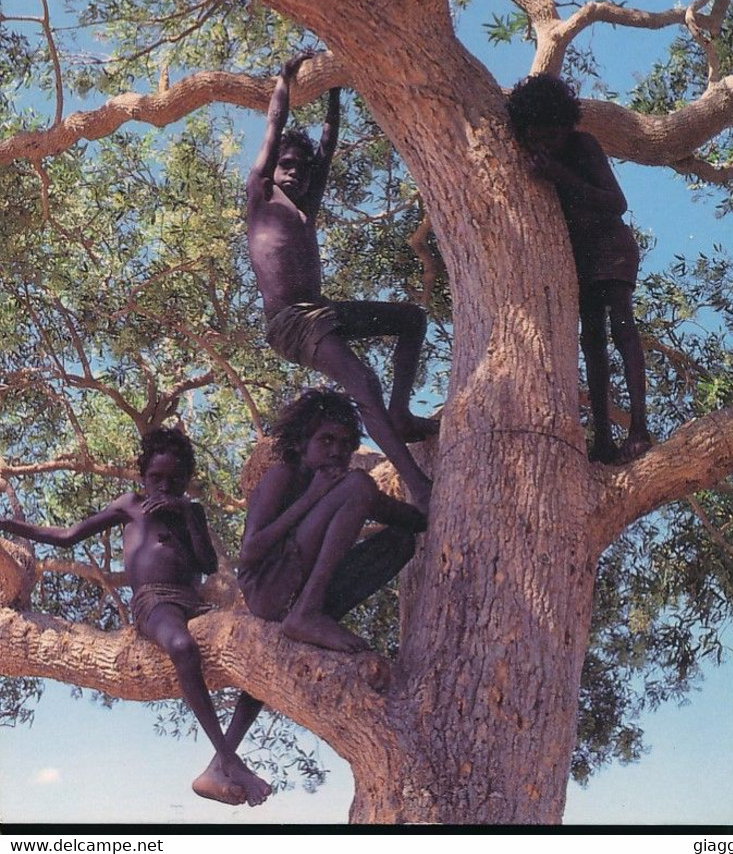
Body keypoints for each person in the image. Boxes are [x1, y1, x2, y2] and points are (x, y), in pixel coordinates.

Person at [0, 427, 272, 809]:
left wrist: (186, 513)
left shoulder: (190, 511)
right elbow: (67, 536)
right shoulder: (130, 505)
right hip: (153, 602)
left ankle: (215, 765)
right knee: (181, 646)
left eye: (173, 480)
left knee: (262, 651)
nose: (163, 486)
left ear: (185, 481)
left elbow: (208, 564)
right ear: (142, 477)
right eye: (155, 478)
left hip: (193, 603)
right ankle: (230, 759)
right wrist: (7, 525)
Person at [191, 388, 426, 806]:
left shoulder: (340, 485)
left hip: (299, 593)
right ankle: (308, 614)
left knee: (400, 541)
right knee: (359, 483)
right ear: (302, 443)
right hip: (270, 588)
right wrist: (314, 498)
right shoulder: (284, 476)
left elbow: (401, 516)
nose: (336, 451)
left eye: (344, 443)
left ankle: (220, 761)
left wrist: (434, 506)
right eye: (326, 441)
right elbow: (250, 552)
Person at [246, 51, 434, 514]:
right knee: (362, 381)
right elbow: (273, 126)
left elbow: (327, 148)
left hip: (321, 311)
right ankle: (417, 484)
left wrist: (336, 88)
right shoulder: (261, 194)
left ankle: (401, 415)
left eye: (300, 168)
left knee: (411, 319)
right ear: (273, 169)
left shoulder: (306, 210)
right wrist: (284, 81)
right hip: (291, 322)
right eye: (286, 164)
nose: (293, 171)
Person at [507, 73, 652, 463]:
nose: (544, 144)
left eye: (550, 135)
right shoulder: (537, 153)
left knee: (622, 328)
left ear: (566, 124)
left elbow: (615, 202)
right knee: (591, 342)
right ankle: (602, 439)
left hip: (609, 246)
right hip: (579, 258)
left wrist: (560, 175)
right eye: (535, 137)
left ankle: (638, 427)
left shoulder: (583, 146)